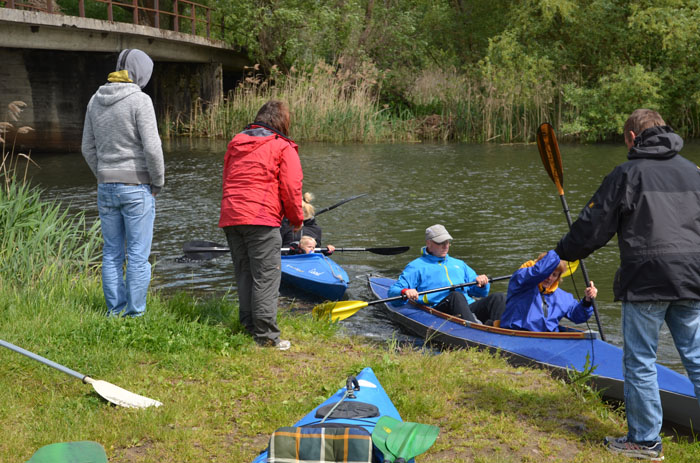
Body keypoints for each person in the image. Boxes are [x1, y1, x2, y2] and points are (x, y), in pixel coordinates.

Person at [554, 109, 700, 460]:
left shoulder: (627, 173)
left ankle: (646, 441)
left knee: (640, 361)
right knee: (697, 357)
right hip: (694, 276)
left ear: (632, 138)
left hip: (647, 278)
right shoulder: (693, 172)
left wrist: (563, 251)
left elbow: (593, 225)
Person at [81, 48, 164, 318]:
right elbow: (152, 149)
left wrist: (103, 173)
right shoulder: (140, 100)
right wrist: (157, 182)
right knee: (138, 256)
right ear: (139, 72)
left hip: (106, 187)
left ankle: (114, 312)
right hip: (137, 187)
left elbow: (87, 147)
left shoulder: (95, 100)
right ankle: (135, 314)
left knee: (112, 253)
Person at [219, 100, 303, 351]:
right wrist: (297, 220)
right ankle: (266, 337)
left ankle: (248, 326)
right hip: (261, 217)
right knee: (266, 277)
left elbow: (227, 178)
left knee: (245, 273)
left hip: (232, 216)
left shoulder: (236, 142)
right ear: (282, 122)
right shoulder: (282, 146)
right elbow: (291, 188)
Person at [388, 224, 505, 325]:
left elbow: (480, 293)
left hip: (467, 307)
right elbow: (393, 292)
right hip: (439, 310)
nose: (445, 246)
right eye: (440, 243)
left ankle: (500, 329)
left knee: (498, 297)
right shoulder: (416, 266)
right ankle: (475, 329)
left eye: (447, 242)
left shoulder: (459, 264)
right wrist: (405, 292)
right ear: (429, 243)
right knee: (456, 296)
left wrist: (483, 283)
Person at [499, 250, 596, 332]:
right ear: (541, 270)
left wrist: (587, 300)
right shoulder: (522, 283)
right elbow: (535, 273)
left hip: (548, 339)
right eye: (548, 273)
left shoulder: (563, 297)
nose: (549, 278)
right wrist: (560, 250)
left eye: (554, 275)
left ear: (558, 277)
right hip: (517, 333)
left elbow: (578, 316)